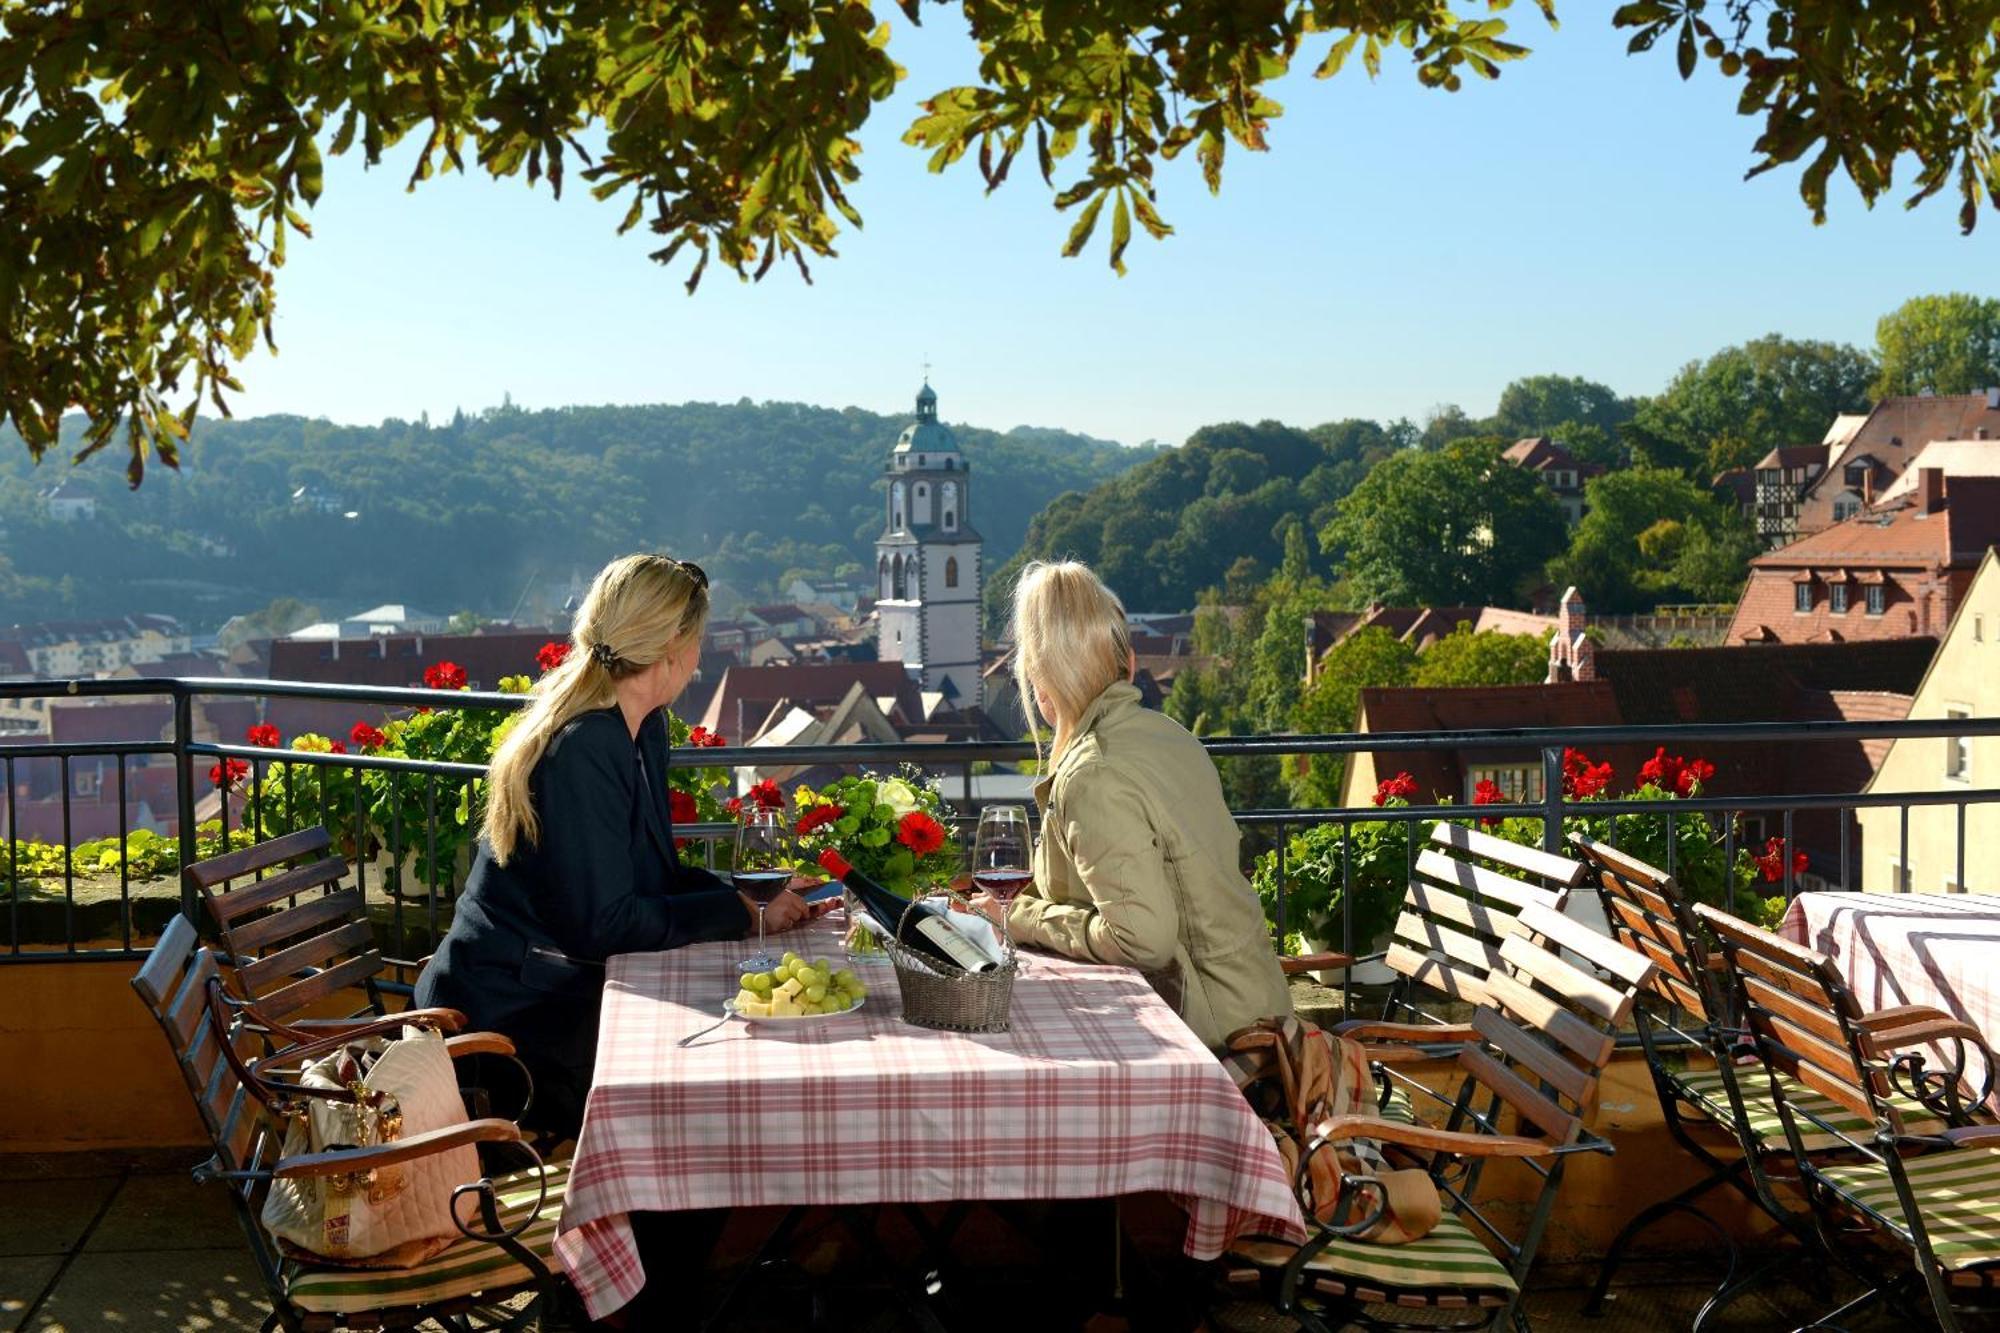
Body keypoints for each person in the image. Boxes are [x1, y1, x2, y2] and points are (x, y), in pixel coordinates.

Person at [416, 553, 809, 1140]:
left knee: (726, 1056)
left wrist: (749, 898)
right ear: (673, 645)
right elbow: (606, 923)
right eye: (697, 640)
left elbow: (649, 878)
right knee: (709, 1096)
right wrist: (742, 911)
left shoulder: (637, 726)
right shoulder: (586, 746)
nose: (699, 659)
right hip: (515, 1035)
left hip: (556, 994)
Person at [976, 559, 1291, 1051]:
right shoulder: (1169, 736)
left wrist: (1017, 916)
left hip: (1219, 1046)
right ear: (1125, 664)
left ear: (1041, 681)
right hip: (1260, 1012)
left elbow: (1143, 939)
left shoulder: (1092, 773)